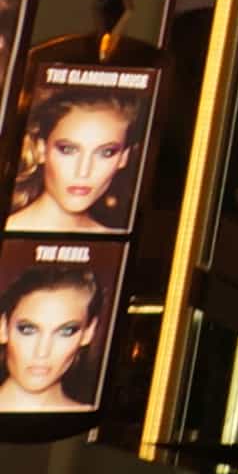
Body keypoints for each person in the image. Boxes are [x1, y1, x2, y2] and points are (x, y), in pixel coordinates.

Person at [6, 87, 140, 235]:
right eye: (68, 150)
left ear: (123, 158)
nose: (83, 171)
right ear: (41, 149)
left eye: (106, 152)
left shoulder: (118, 243)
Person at [1, 258, 101, 414]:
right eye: (28, 329)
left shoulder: (93, 422)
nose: (42, 352)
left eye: (66, 331)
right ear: (3, 328)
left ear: (88, 333)